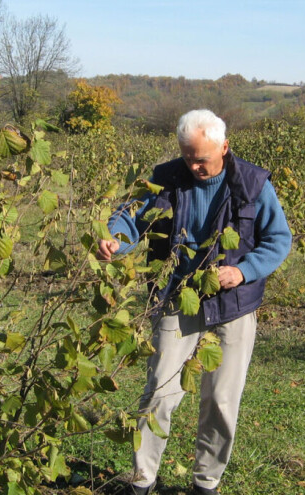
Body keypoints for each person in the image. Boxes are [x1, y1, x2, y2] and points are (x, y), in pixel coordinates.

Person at [97, 109, 292, 494]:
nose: (194, 166)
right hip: (175, 298)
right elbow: (130, 217)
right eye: (188, 157)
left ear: (224, 147)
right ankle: (142, 481)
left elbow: (278, 239)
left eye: (202, 158)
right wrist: (115, 238)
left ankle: (206, 483)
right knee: (158, 394)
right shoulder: (165, 177)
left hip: (234, 304)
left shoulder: (253, 183)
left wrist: (243, 270)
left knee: (221, 400)